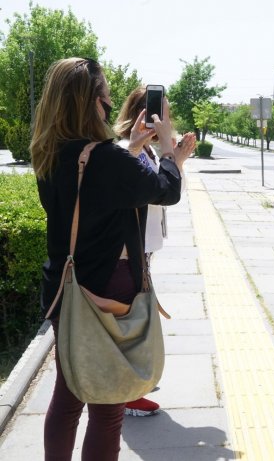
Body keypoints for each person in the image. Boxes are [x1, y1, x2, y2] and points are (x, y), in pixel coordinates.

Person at [30, 57, 188, 461]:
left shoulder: (49, 153)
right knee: (108, 405)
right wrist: (168, 145)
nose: (109, 104)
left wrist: (133, 147)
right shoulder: (106, 158)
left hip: (65, 288)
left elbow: (91, 199)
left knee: (67, 398)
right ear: (92, 103)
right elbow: (165, 190)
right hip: (110, 287)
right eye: (106, 98)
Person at [112, 87, 196, 417]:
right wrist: (168, 152)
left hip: (142, 251)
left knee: (138, 318)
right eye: (161, 113)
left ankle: (133, 383)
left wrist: (177, 159)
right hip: (128, 252)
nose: (167, 121)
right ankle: (126, 394)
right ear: (141, 114)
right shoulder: (126, 150)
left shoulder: (144, 151)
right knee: (134, 321)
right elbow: (158, 192)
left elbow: (171, 190)